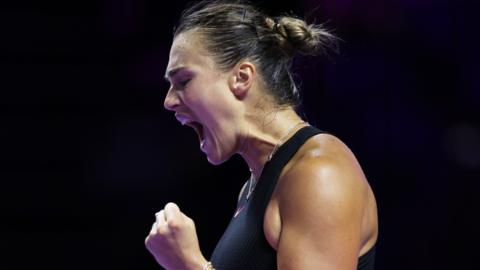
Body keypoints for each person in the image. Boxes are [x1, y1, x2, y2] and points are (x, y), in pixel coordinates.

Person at [144, 0, 378, 269]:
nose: (169, 101)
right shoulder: (253, 186)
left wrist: (190, 264)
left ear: (242, 77)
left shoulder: (320, 172)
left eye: (183, 81)